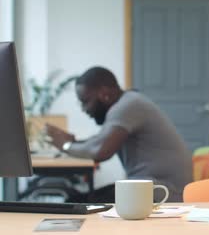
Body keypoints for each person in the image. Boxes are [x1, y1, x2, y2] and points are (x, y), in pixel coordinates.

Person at [47, 66, 193, 202]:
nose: (84, 109)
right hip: (150, 188)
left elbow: (101, 151)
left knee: (76, 203)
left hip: (165, 193)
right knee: (76, 200)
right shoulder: (129, 102)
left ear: (104, 94)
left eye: (85, 101)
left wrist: (65, 145)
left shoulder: (128, 106)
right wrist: (75, 142)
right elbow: (100, 140)